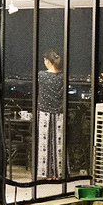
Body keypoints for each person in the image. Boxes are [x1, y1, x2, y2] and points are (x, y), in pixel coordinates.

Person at [36, 50, 64, 180]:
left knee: (44, 143)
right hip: (59, 112)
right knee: (58, 143)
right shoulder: (63, 77)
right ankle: (58, 173)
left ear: (48, 61)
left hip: (44, 112)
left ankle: (44, 173)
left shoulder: (42, 75)